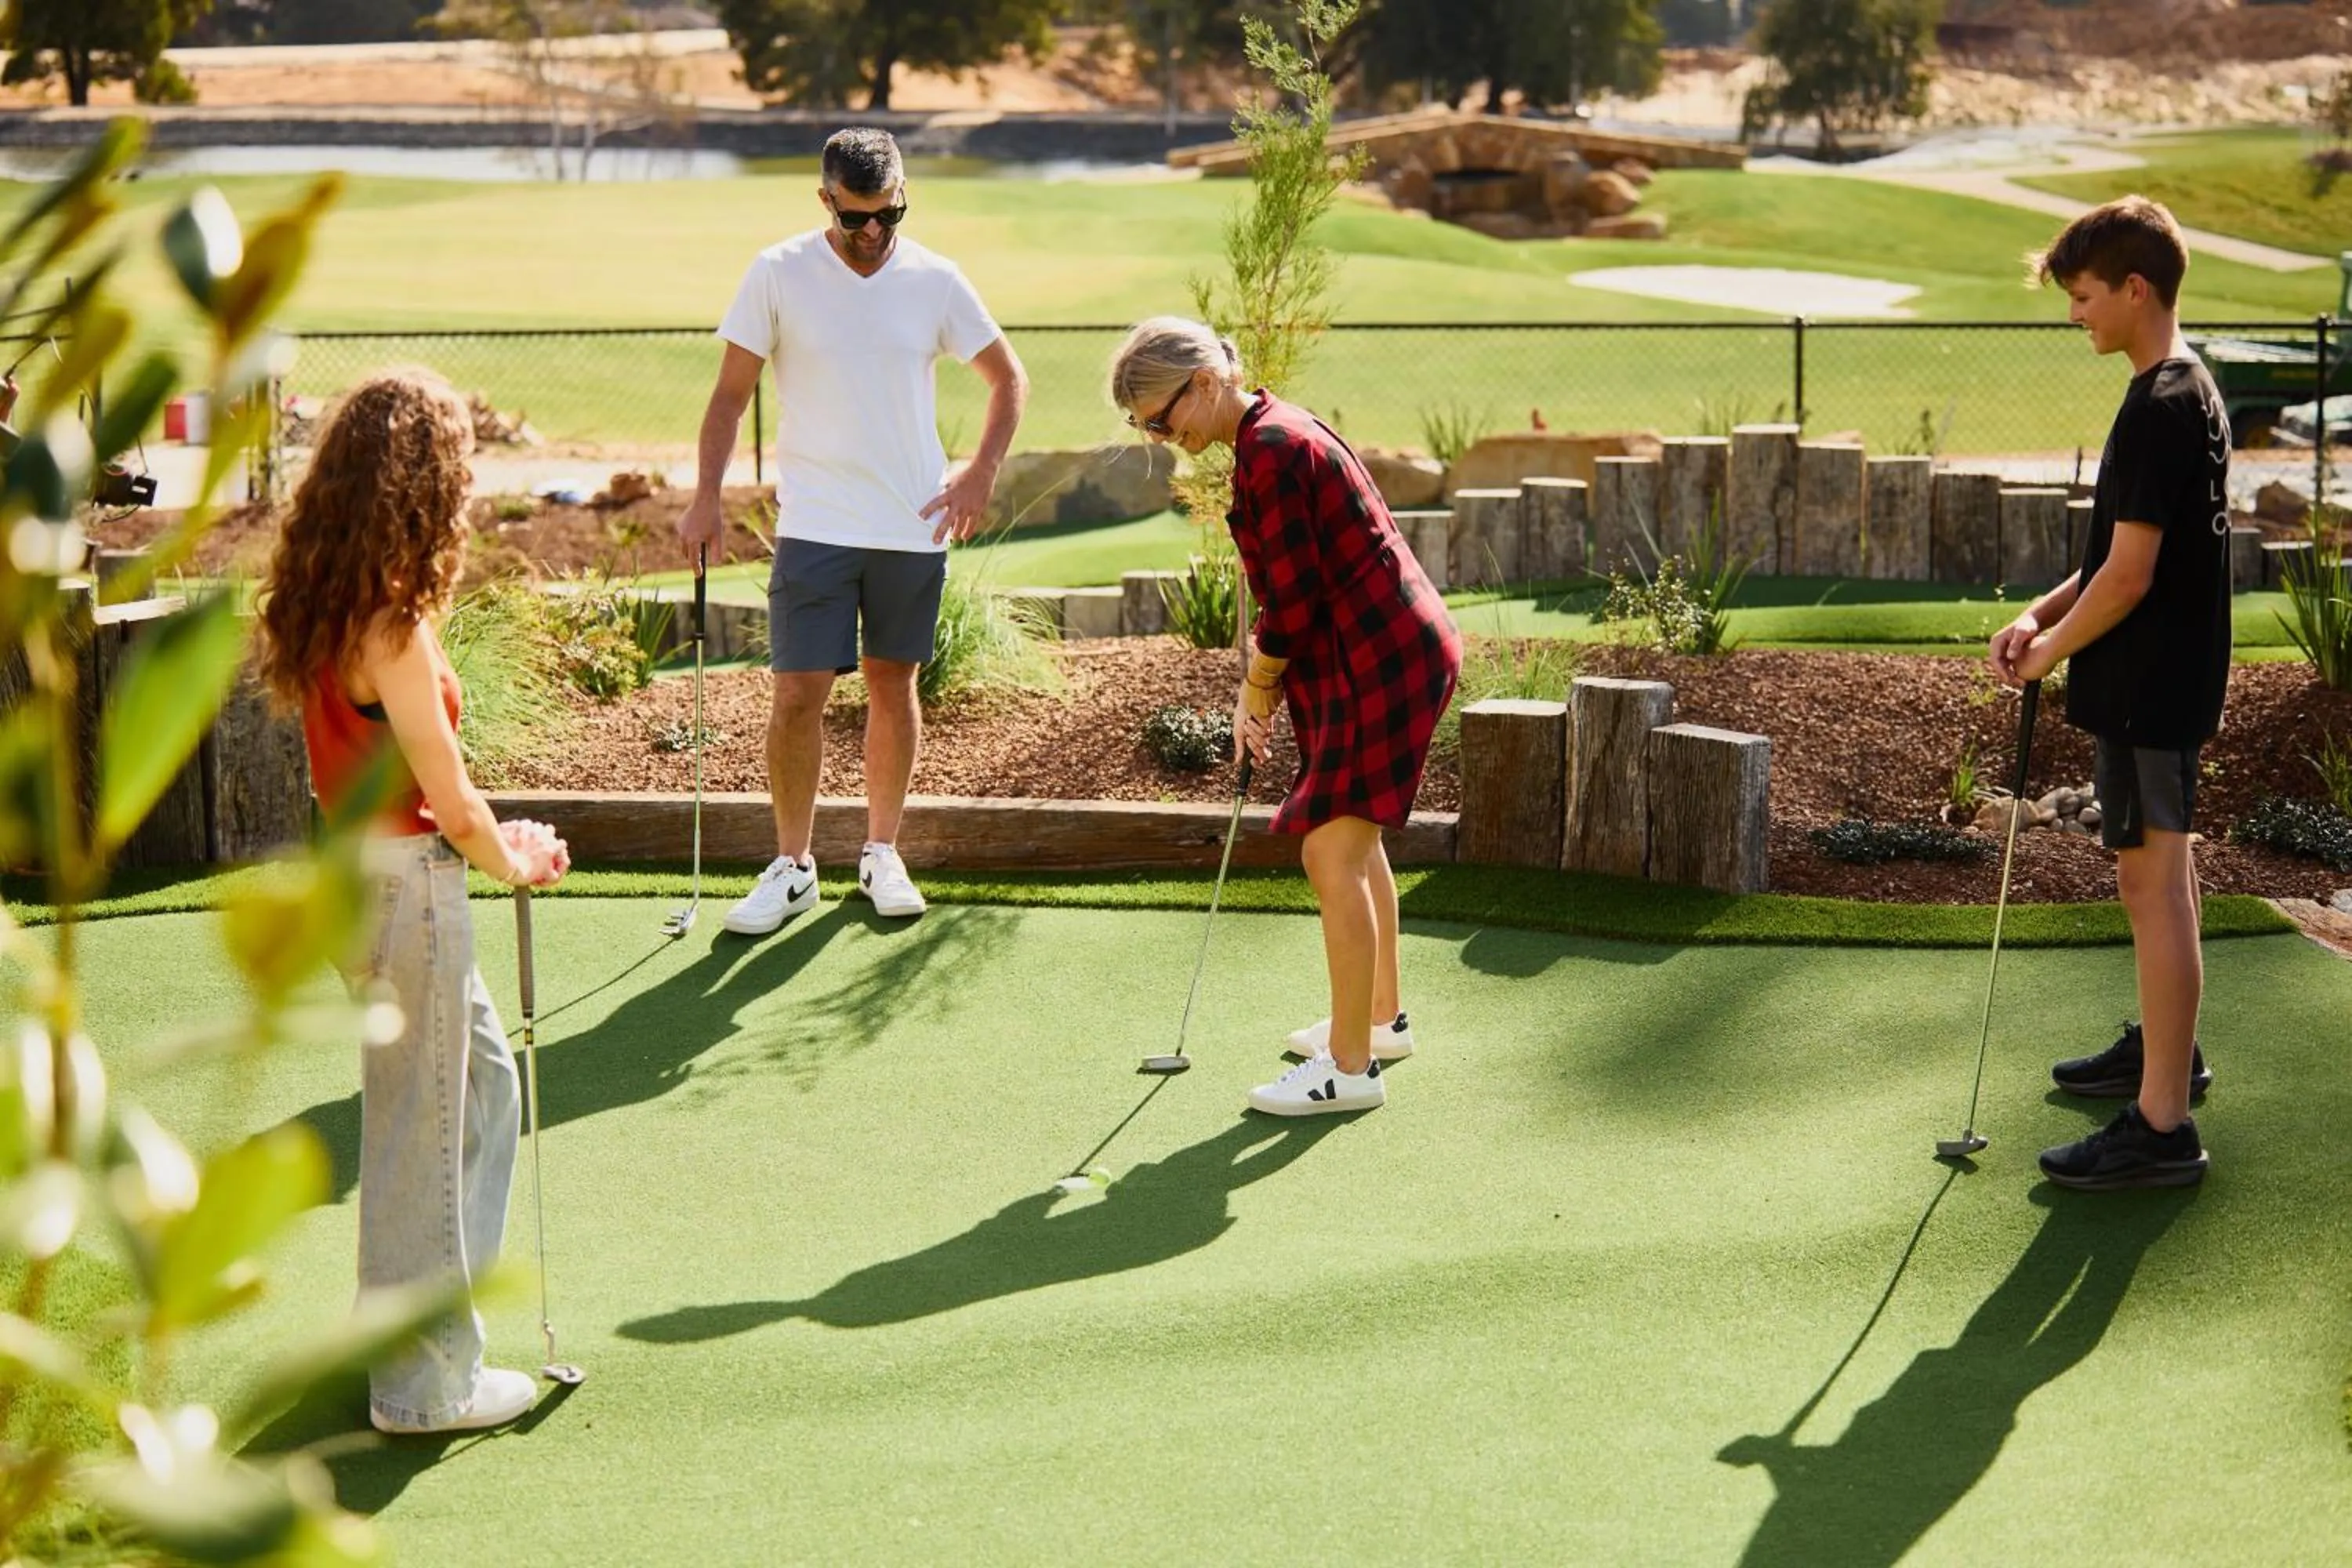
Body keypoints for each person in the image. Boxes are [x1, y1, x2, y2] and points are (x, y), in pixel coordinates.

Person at [256, 370, 572, 1433]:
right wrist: (513, 855)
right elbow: (447, 793)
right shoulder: (391, 621)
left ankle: (405, 1333)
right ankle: (427, 1384)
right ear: (425, 484)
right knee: (426, 1130)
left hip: (364, 882)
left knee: (477, 1096)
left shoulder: (331, 599)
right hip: (408, 893)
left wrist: (482, 840)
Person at [677, 126, 1029, 934]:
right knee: (798, 692)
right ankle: (794, 864)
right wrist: (705, 496)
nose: (872, 234)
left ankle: (880, 852)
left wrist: (979, 473)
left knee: (890, 686)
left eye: (889, 216)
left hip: (911, 524)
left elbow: (1009, 378)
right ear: (825, 200)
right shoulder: (777, 273)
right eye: (855, 218)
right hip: (816, 524)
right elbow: (730, 397)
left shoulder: (935, 279)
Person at [1108, 317, 1462, 1117]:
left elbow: (1293, 602)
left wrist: (1257, 686)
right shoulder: (1274, 429)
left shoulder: (1271, 450)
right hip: (1378, 649)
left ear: (1203, 382)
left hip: (1384, 654)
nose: (1165, 438)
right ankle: (1379, 1021)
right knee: (1355, 837)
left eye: (1163, 419)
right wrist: (1264, 684)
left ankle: (1350, 1069)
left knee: (1330, 853)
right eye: (1147, 429)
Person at [1991, 196, 2228, 1190]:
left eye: (2085, 296)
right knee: (2160, 886)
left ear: (2136, 289)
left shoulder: (2158, 407)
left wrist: (2047, 658)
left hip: (2150, 687)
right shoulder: (2183, 385)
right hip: (2158, 682)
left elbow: (2130, 582)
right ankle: (2163, 1057)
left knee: (2152, 888)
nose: (2077, 313)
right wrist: (2043, 616)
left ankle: (2162, 1121)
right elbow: (2115, 560)